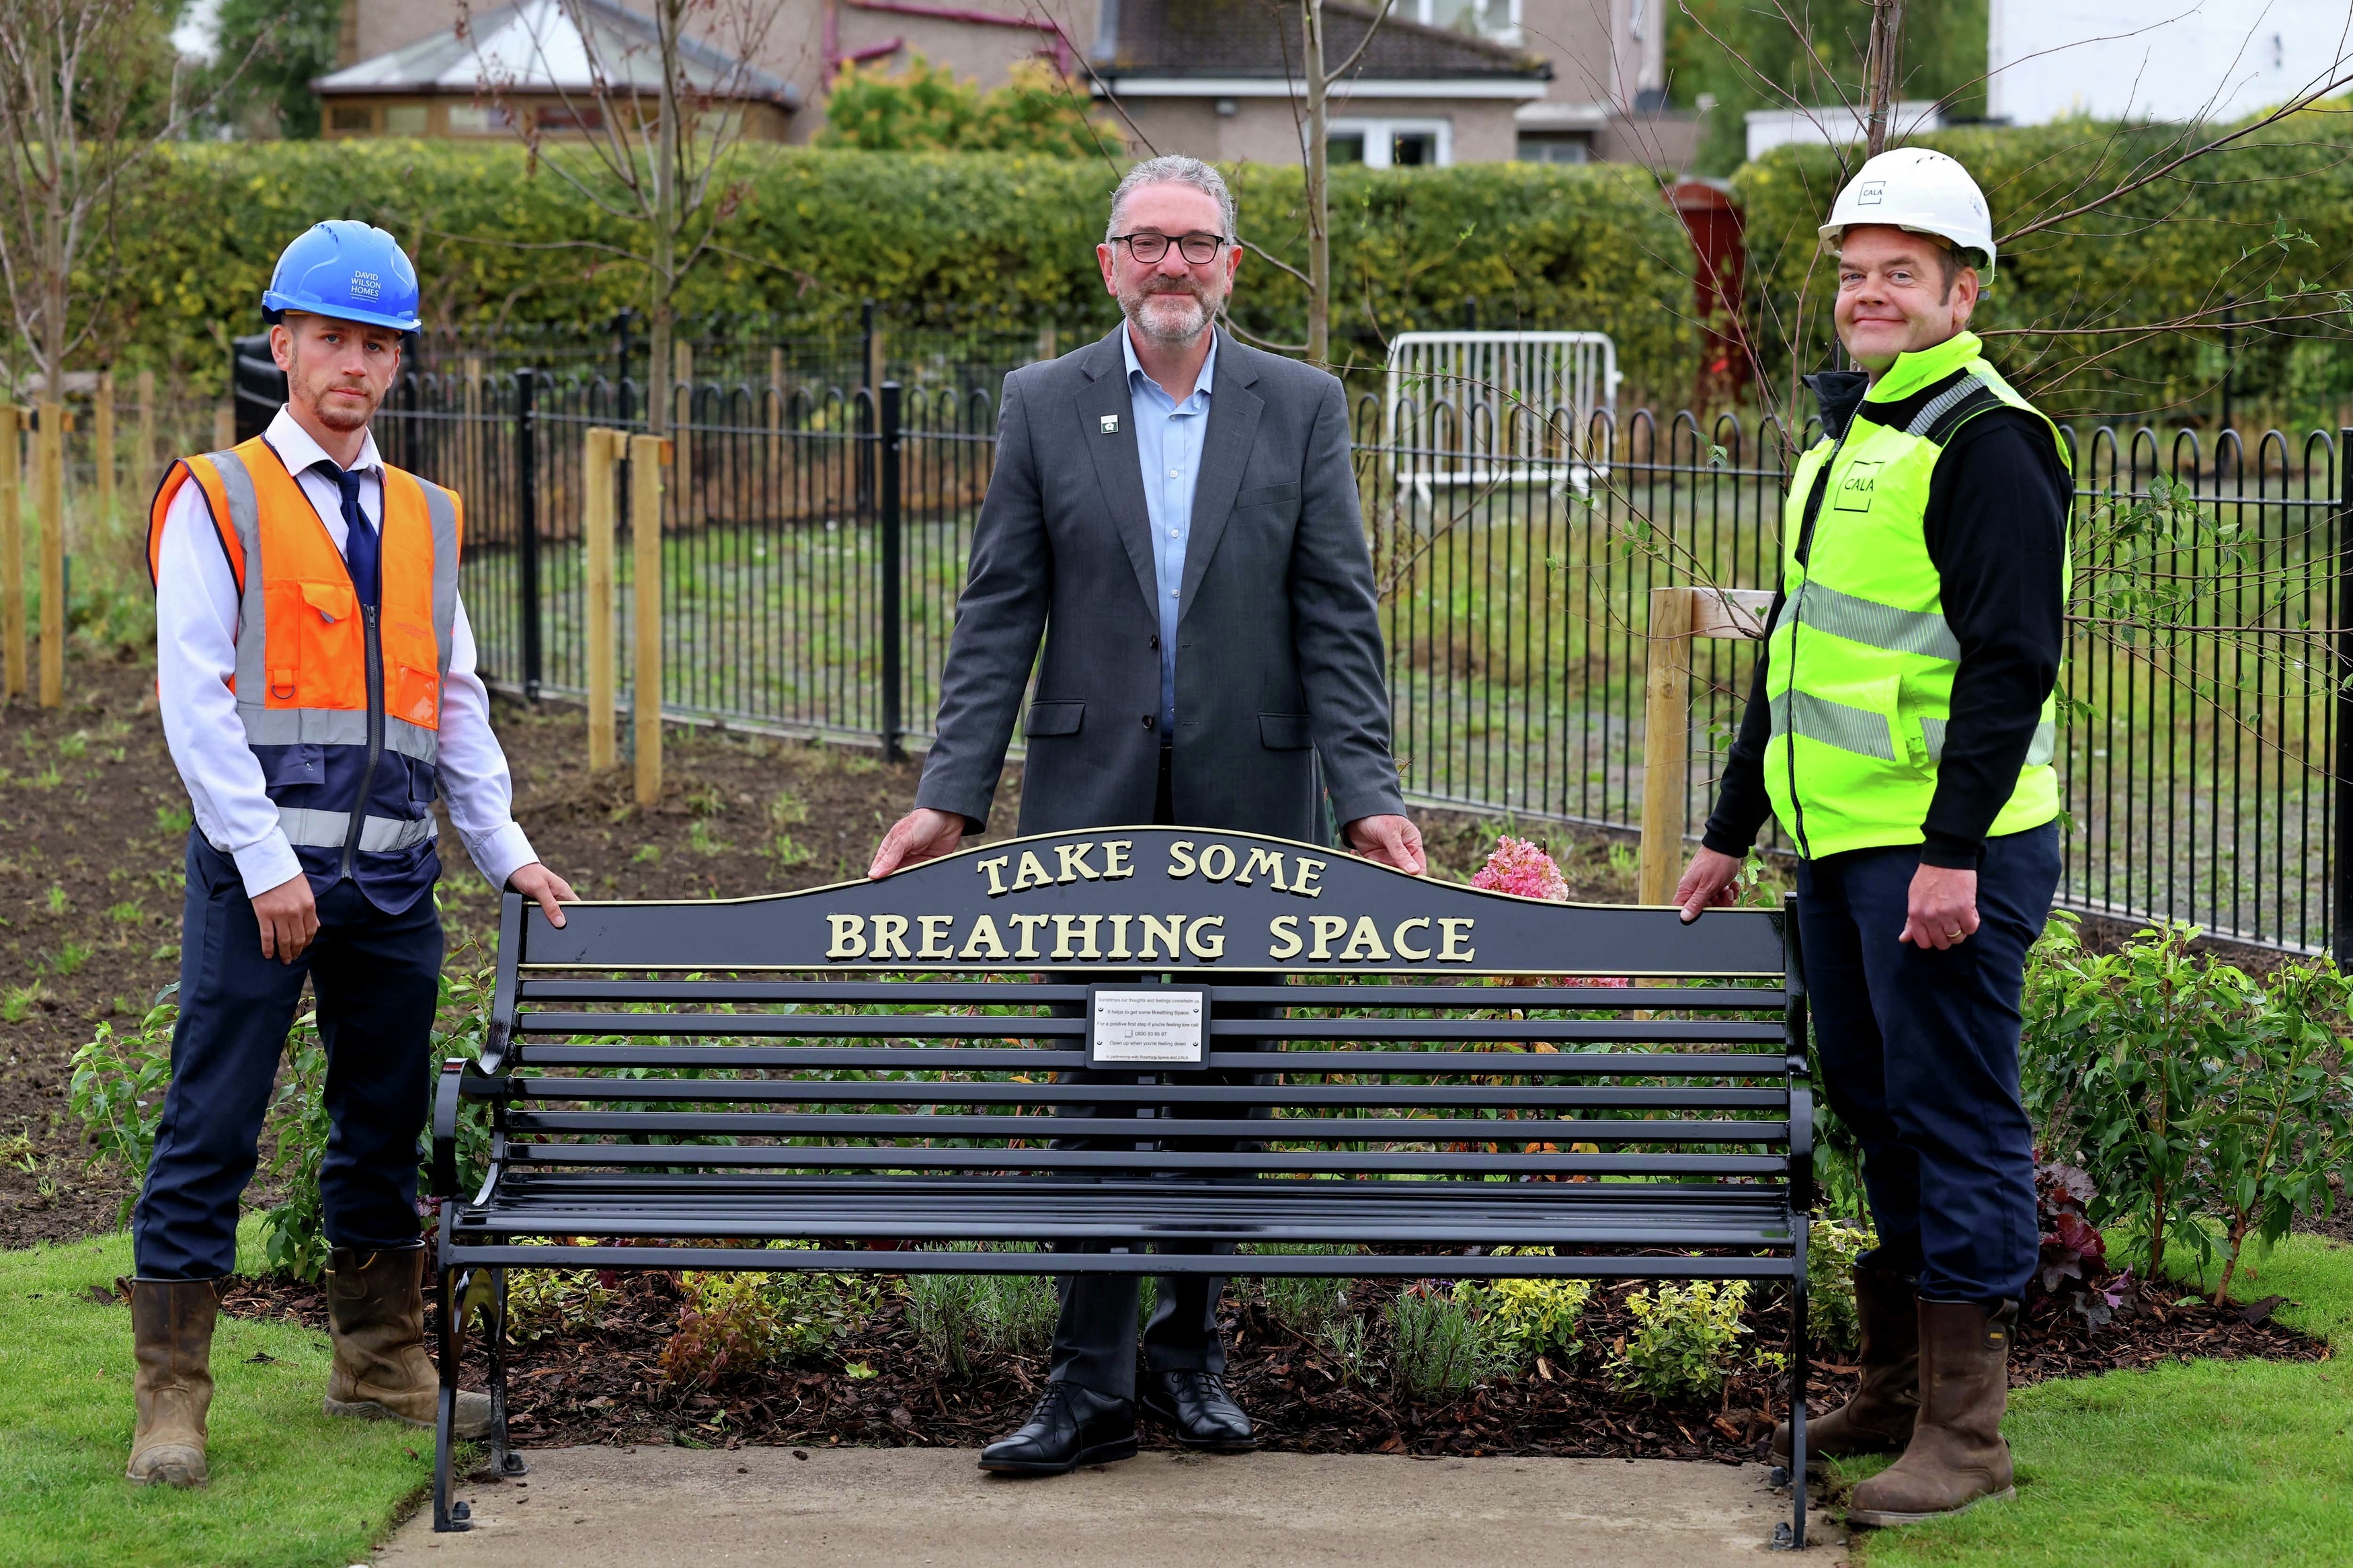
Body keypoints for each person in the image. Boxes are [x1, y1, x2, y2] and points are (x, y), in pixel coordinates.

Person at [867, 155, 1423, 1476]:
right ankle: (1087, 1386)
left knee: (1223, 1081)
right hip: (1090, 811)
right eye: (1147, 242)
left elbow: (1336, 615)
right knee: (1104, 1081)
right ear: (1109, 263)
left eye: (1198, 244)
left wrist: (1369, 798)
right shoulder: (1044, 404)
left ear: (1233, 266)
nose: (1172, 265)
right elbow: (1000, 608)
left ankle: (1190, 1356)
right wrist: (952, 793)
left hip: (1253, 807)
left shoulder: (1300, 407)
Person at [130, 220, 576, 1487]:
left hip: (390, 881)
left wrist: (509, 855)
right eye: (331, 338)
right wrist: (267, 861)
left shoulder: (427, 516)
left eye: (379, 345)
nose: (355, 366)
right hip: (259, 881)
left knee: (380, 1126)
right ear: (283, 346)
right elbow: (196, 697)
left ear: (398, 364)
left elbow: (460, 702)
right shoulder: (214, 498)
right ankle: (173, 1401)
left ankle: (377, 1367)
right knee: (210, 1124)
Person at [1675, 149, 2070, 1528]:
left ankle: (1968, 1438)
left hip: (1941, 853)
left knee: (1954, 1120)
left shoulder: (1986, 440)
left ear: (1962, 293)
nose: (1870, 296)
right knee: (1877, 1109)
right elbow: (1795, 655)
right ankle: (1899, 1389)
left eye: (1901, 274)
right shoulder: (1851, 439)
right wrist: (1729, 829)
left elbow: (2009, 663)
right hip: (1841, 848)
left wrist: (1953, 851)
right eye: (1854, 276)